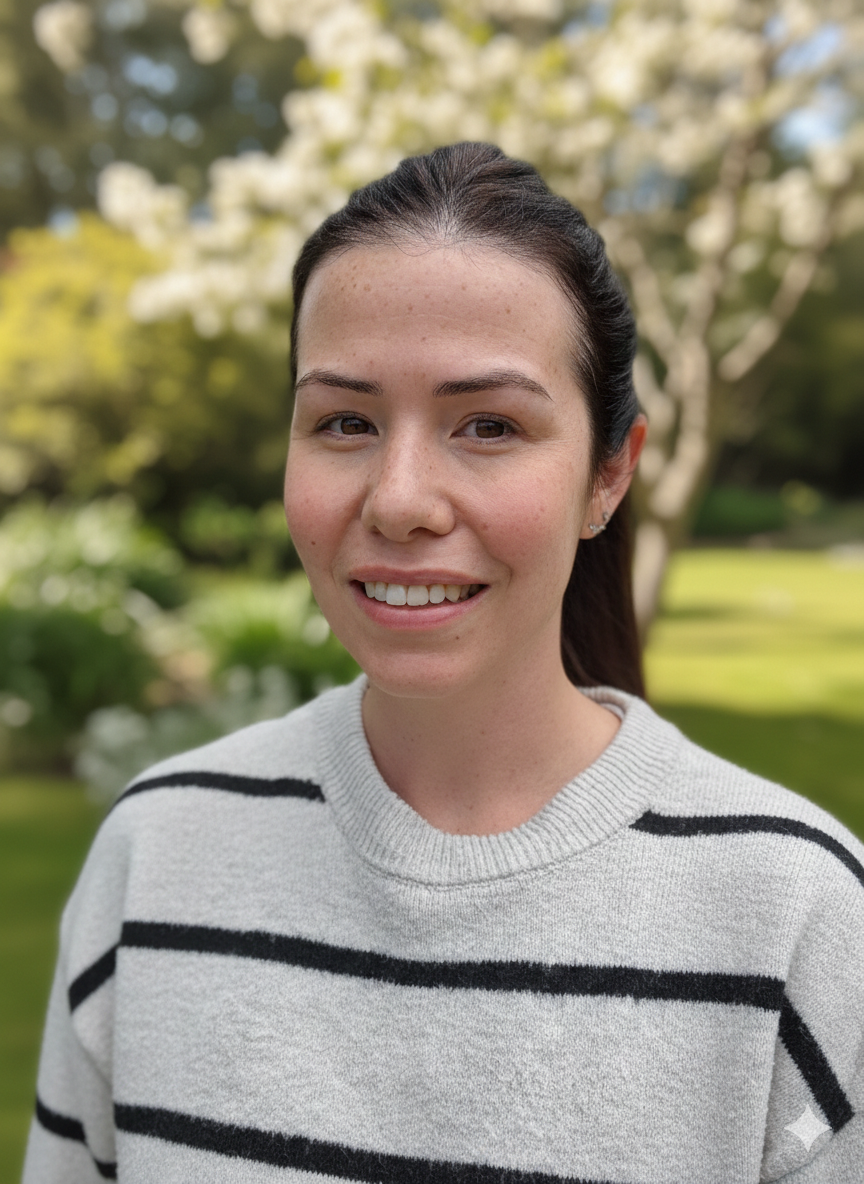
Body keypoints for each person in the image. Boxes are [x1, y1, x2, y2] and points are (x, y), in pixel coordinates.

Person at [23, 143, 863, 1184]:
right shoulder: (152, 859)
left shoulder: (793, 911)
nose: (400, 498)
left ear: (610, 474)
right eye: (345, 420)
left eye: (489, 425)